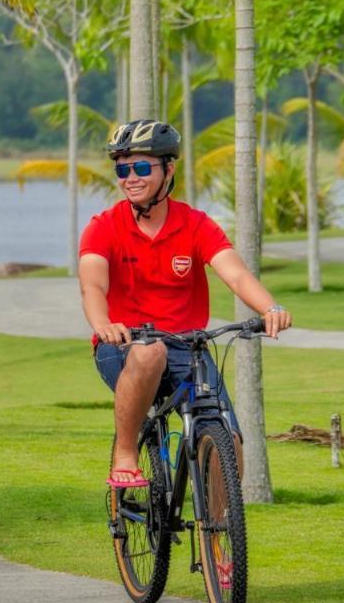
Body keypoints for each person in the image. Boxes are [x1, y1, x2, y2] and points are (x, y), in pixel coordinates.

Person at [78, 120, 292, 488]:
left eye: (142, 167)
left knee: (229, 447)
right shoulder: (104, 226)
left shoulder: (195, 224)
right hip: (124, 345)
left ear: (168, 169)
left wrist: (269, 309)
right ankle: (126, 454)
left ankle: (218, 538)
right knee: (150, 353)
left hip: (186, 346)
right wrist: (102, 324)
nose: (131, 177)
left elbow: (236, 275)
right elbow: (93, 285)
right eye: (122, 169)